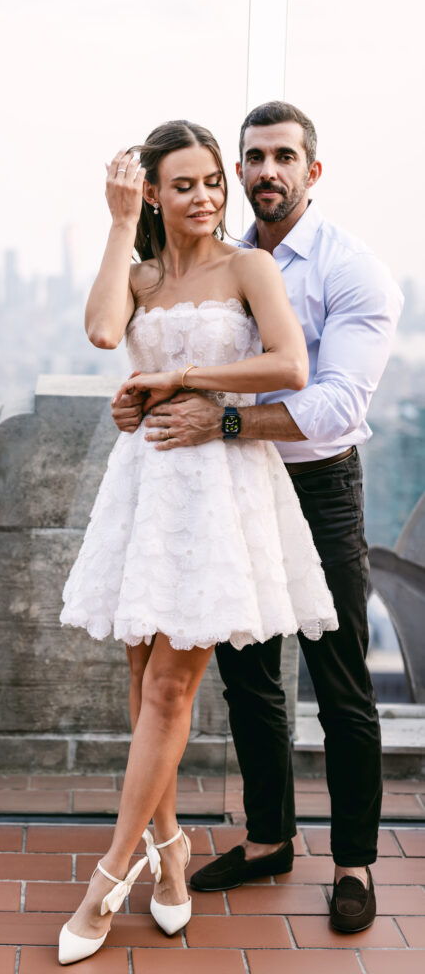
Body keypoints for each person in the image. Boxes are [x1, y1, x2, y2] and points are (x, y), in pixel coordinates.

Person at [111, 102, 404, 934]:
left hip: (316, 485)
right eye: (253, 157)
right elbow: (154, 346)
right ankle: (270, 837)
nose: (265, 170)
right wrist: (145, 401)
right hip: (231, 483)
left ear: (313, 171)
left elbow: (336, 402)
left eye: (283, 156)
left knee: (338, 673)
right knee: (248, 675)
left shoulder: (354, 272)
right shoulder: (221, 257)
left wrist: (224, 419)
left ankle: (352, 862)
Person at [58, 119, 337, 965]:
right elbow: (106, 333)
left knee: (172, 691)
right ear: (151, 192)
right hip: (146, 487)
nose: (208, 195)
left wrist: (183, 377)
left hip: (219, 490)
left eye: (213, 180)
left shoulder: (247, 265)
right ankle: (170, 858)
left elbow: (289, 365)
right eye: (183, 183)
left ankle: (107, 879)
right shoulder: (139, 275)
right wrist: (113, 225)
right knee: (145, 683)